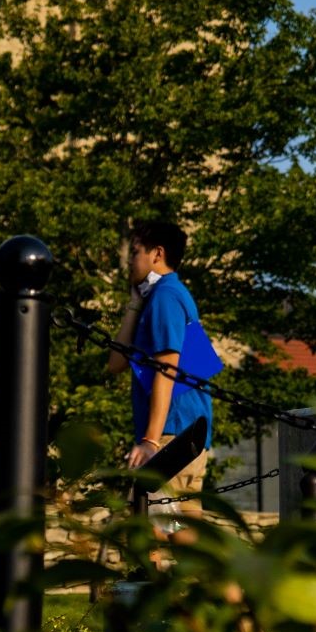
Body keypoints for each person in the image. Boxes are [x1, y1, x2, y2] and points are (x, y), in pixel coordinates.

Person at [107, 219, 216, 519]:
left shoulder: (167, 296)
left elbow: (166, 370)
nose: (130, 260)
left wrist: (150, 441)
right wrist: (133, 304)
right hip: (184, 434)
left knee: (149, 525)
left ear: (157, 254)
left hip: (172, 434)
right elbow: (115, 364)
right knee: (181, 525)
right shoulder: (158, 297)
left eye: (136, 251)